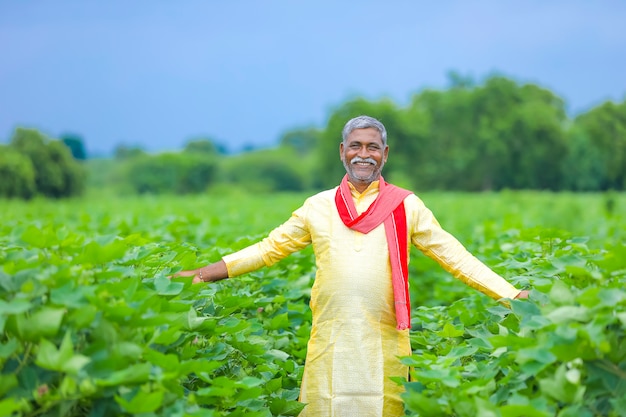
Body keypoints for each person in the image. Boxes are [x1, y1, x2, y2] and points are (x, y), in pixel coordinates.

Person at [174, 115, 530, 417]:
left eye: (372, 147)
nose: (364, 154)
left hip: (384, 340)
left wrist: (512, 295)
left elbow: (455, 257)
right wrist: (202, 274)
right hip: (332, 336)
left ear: (385, 155)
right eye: (356, 146)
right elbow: (270, 249)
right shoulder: (318, 206)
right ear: (342, 152)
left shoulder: (406, 205)